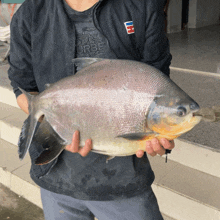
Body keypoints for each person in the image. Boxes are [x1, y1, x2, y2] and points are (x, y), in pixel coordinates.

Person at [8, 0, 174, 219]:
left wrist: (160, 136)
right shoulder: (30, 13)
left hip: (124, 181)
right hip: (56, 176)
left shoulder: (143, 7)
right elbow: (23, 87)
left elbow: (158, 89)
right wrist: (58, 126)